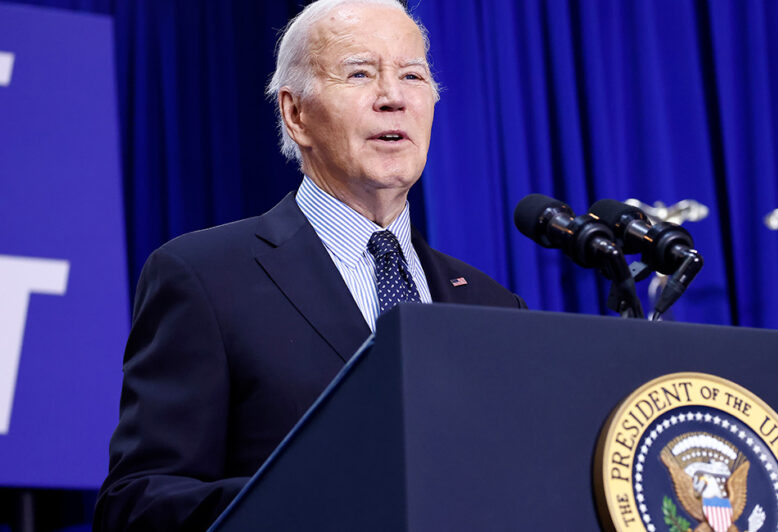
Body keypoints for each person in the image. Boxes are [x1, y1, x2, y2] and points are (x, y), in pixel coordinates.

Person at [94, 1, 524, 530]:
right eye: (360, 73)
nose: (393, 98)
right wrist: (320, 502)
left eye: (412, 75)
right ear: (296, 114)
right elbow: (137, 505)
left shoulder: (492, 304)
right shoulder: (204, 278)